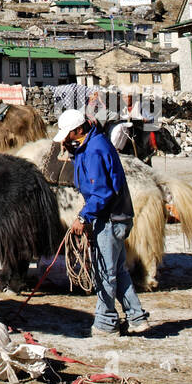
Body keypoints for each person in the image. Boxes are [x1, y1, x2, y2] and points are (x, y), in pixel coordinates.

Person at [53, 108, 151, 339]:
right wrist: (74, 153)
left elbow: (101, 192)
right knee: (117, 270)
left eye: (67, 134)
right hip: (115, 217)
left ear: (78, 130)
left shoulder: (96, 149)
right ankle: (137, 318)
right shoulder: (90, 146)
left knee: (105, 273)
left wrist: (83, 217)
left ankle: (106, 322)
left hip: (110, 218)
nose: (65, 139)